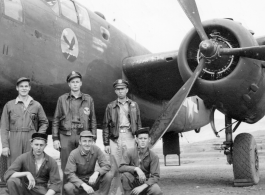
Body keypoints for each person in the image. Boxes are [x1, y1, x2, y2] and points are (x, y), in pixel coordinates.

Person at [52, 71, 97, 174]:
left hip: (83, 135)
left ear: (81, 83)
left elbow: (93, 120)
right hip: (67, 135)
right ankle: (66, 189)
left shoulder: (88, 99)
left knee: (83, 164)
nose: (75, 84)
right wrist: (55, 138)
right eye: (73, 82)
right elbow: (56, 119)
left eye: (77, 82)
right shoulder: (62, 99)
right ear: (69, 84)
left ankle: (80, 189)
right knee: (67, 166)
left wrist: (93, 137)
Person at [1, 77, 49, 166]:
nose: (24, 88)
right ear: (17, 88)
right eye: (21, 86)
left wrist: (38, 136)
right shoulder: (9, 105)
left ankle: (29, 180)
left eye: (26, 86)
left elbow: (44, 122)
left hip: (31, 138)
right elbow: (4, 127)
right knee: (14, 165)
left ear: (29, 88)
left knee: (30, 164)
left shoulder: (36, 105)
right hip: (14, 138)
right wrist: (5, 146)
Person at [102, 79, 141, 166]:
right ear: (115, 91)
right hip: (116, 137)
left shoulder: (134, 105)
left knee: (132, 163)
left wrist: (139, 138)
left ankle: (131, 179)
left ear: (127, 90)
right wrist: (106, 143)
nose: (120, 91)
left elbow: (138, 123)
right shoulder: (110, 106)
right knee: (115, 164)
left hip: (129, 135)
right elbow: (106, 125)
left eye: (122, 89)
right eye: (118, 89)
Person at [64, 131, 113, 195]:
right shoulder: (74, 153)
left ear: (92, 142)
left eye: (89, 141)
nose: (87, 144)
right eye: (84, 141)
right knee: (68, 187)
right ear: (80, 142)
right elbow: (70, 174)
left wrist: (97, 173)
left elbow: (107, 165)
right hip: (79, 181)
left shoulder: (96, 149)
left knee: (108, 175)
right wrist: (83, 185)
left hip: (91, 179)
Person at [119, 127, 162, 195]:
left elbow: (155, 176)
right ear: (136, 139)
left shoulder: (154, 156)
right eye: (140, 138)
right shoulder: (129, 152)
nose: (143, 141)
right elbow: (121, 167)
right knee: (125, 175)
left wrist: (143, 186)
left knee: (156, 190)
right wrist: (136, 169)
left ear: (149, 140)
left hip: (146, 183)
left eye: (145, 138)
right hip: (133, 182)